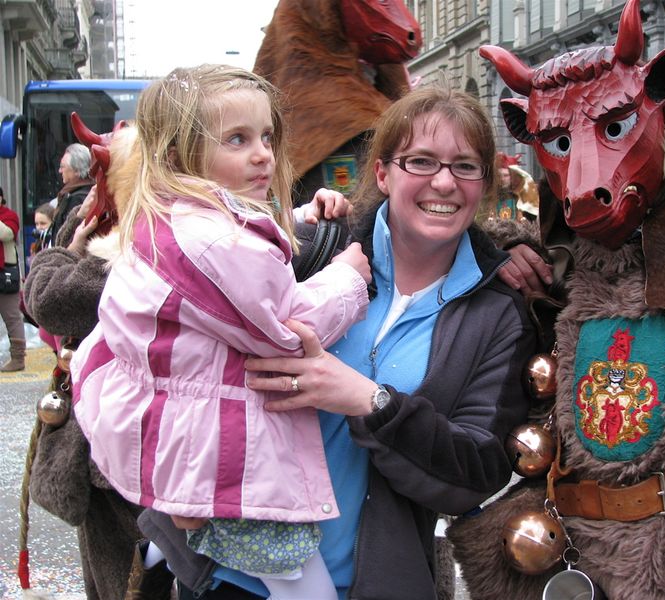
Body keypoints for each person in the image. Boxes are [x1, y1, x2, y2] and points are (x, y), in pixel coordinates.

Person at [140, 85, 541, 599]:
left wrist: (368, 401)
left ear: (484, 183)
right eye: (421, 161)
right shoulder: (310, 244)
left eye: (465, 166)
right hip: (223, 573)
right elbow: (170, 314)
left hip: (367, 584)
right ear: (383, 173)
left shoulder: (499, 313)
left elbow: (476, 473)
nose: (444, 182)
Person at [68, 64, 371, 600]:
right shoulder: (213, 242)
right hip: (222, 454)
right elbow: (285, 329)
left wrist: (301, 215)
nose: (263, 154)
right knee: (306, 585)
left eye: (266, 137)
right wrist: (348, 278)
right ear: (180, 155)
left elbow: (240, 250)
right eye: (237, 139)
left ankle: (172, 537)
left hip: (184, 439)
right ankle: (185, 531)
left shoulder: (177, 219)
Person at [0, 185, 25, 372]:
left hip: (5, 274)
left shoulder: (10, 216)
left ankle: (18, 358)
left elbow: (6, 234)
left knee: (12, 316)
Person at [50, 143, 93, 242]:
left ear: (77, 169)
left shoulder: (76, 199)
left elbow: (69, 238)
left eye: (62, 167)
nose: (60, 171)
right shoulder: (91, 191)